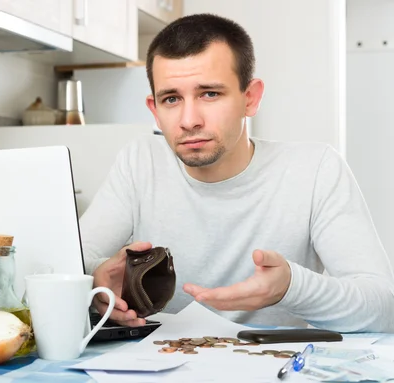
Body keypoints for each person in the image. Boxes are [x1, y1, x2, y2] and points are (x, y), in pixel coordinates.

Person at [79, 13, 394, 333]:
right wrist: (95, 280)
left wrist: (290, 288)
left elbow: (384, 307)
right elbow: (75, 256)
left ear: (250, 98)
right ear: (154, 111)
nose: (189, 120)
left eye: (209, 94)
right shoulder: (140, 161)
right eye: (171, 98)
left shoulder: (315, 169)